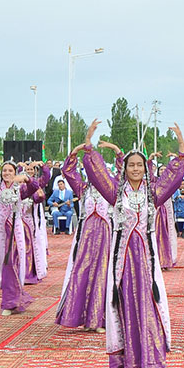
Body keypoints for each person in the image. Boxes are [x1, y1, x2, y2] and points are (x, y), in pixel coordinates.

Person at [78, 119, 184, 368]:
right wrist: (90, 145)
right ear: (125, 168)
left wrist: (181, 145)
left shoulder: (154, 193)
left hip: (147, 263)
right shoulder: (116, 193)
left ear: (144, 168)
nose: (136, 169)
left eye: (139, 165)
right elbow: (97, 173)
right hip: (123, 262)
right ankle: (130, 364)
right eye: (131, 165)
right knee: (125, 306)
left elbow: (174, 175)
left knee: (148, 305)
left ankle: (150, 360)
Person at [55, 141, 116, 331]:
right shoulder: (83, 188)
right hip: (86, 237)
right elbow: (68, 172)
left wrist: (115, 149)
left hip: (106, 235)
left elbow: (125, 171)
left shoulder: (113, 186)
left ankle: (99, 319)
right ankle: (82, 317)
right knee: (83, 272)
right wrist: (74, 152)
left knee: (103, 274)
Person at [0, 161, 42, 316]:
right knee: (4, 264)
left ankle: (11, 301)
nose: (7, 173)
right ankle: (12, 299)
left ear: (14, 172)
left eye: (10, 170)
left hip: (15, 232)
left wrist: (27, 179)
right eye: (4, 171)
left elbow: (34, 187)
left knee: (12, 263)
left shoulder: (20, 189)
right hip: (0, 232)